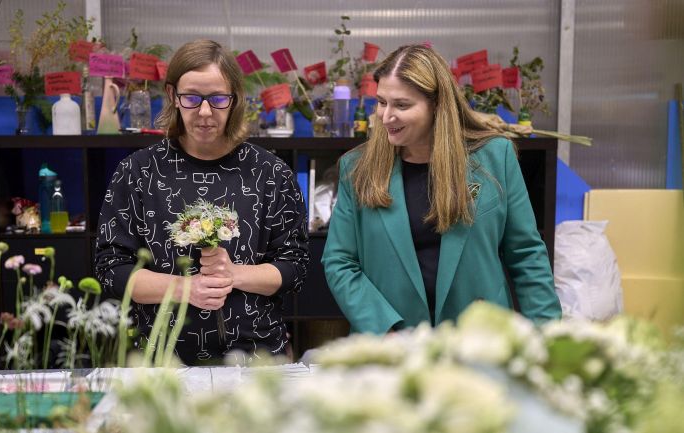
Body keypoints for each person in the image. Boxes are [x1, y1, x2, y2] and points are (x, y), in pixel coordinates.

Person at [321, 44, 561, 334]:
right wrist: (385, 328)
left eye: (402, 105)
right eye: (381, 102)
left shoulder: (495, 158)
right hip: (394, 347)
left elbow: (525, 254)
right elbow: (340, 261)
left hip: (480, 342)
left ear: (437, 104)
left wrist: (549, 336)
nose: (386, 117)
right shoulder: (357, 168)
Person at [95, 39, 309, 364]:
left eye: (219, 99)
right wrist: (185, 288)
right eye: (192, 98)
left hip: (257, 361)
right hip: (162, 362)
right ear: (172, 96)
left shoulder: (269, 173)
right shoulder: (139, 172)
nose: (205, 112)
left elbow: (295, 268)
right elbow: (112, 270)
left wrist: (234, 275)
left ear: (235, 99)